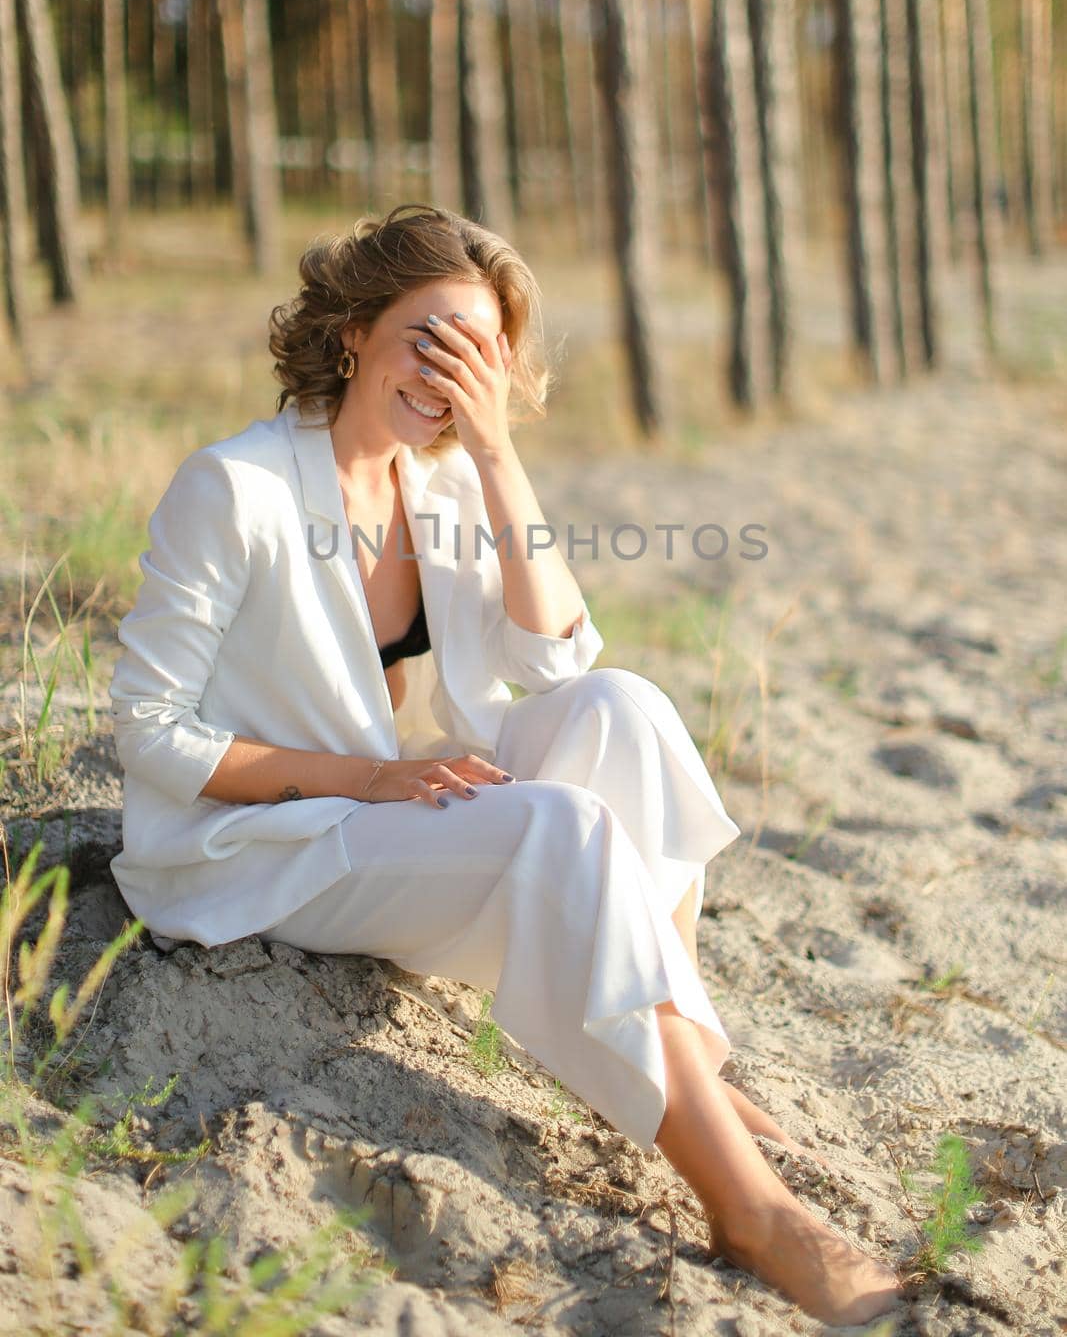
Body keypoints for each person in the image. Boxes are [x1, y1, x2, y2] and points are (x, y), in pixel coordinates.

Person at [108, 203, 901, 1325]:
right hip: (270, 844)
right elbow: (148, 728)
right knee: (558, 826)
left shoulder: (442, 489)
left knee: (622, 708)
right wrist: (362, 776)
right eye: (430, 340)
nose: (451, 374)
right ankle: (749, 1205)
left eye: (480, 352)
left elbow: (560, 651)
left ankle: (687, 1063)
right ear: (352, 333)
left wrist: (494, 449)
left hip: (412, 811)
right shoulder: (233, 488)